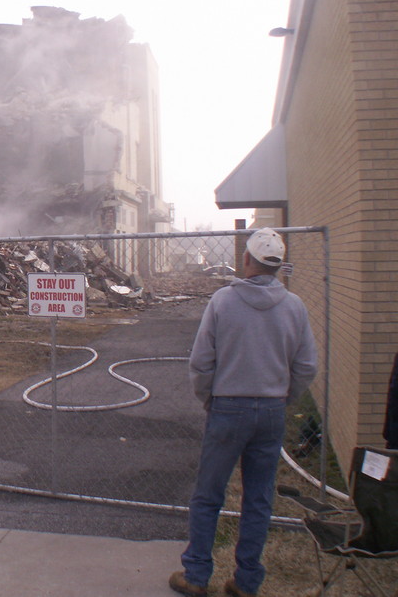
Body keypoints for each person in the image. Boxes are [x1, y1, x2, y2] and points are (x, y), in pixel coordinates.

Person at [170, 228, 318, 597]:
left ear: (247, 259)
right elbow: (306, 366)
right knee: (258, 498)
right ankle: (246, 580)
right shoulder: (294, 306)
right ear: (278, 266)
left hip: (227, 407)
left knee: (208, 495)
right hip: (271, 411)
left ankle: (197, 576)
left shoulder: (223, 301)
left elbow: (201, 363)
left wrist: (210, 399)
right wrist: (284, 399)